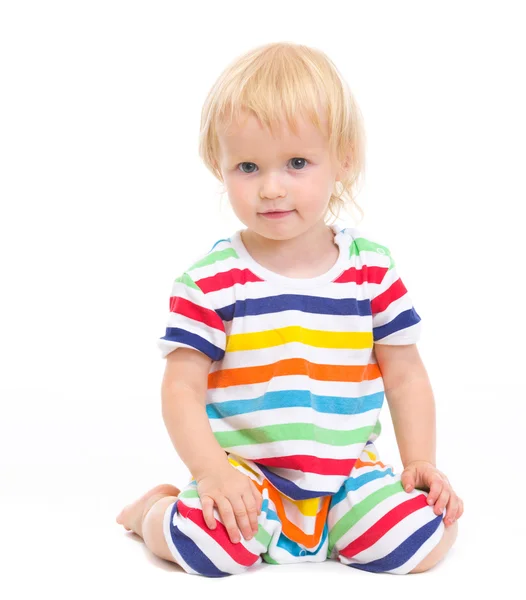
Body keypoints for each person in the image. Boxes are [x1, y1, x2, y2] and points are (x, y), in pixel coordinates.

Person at [116, 41, 463, 577]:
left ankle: (350, 525)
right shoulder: (210, 281)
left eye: (297, 163)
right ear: (219, 166)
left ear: (343, 160)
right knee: (205, 550)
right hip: (248, 476)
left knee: (418, 540)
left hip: (347, 471)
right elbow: (181, 388)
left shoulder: (371, 270)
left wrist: (421, 463)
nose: (271, 188)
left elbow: (405, 375)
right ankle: (151, 513)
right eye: (248, 166)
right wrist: (211, 473)